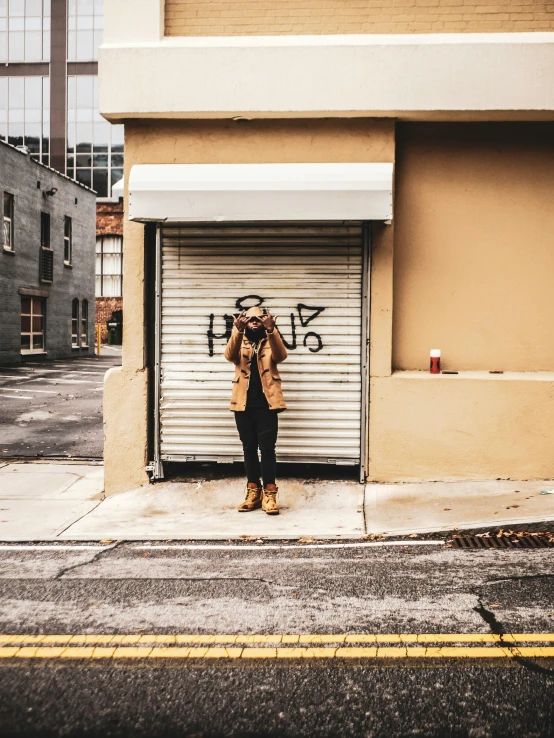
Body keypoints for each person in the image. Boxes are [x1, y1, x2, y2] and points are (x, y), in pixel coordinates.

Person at [224, 306, 288, 515]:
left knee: (267, 449)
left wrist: (272, 331)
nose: (253, 323)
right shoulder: (240, 340)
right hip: (243, 404)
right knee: (249, 448)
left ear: (264, 322)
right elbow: (229, 356)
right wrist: (237, 331)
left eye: (258, 320)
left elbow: (281, 356)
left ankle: (270, 494)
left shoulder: (271, 341)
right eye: (250, 319)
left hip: (267, 405)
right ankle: (253, 492)